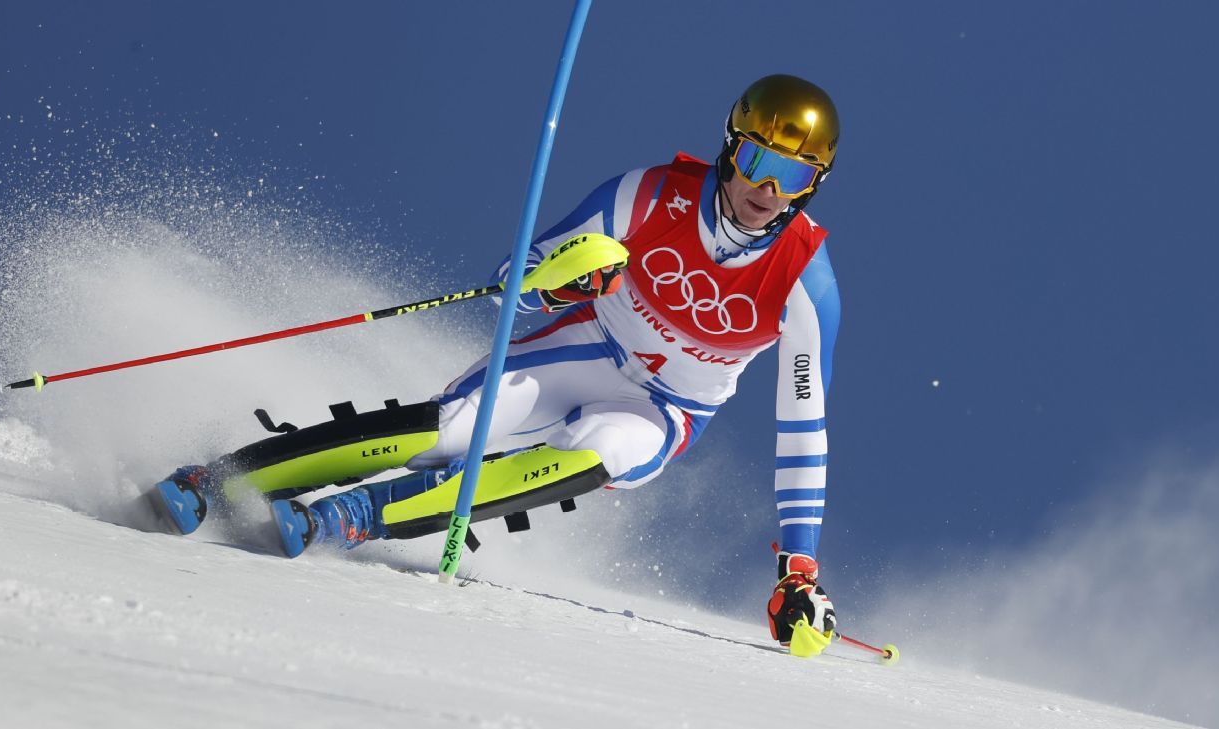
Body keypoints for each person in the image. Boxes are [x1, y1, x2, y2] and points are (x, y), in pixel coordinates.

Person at [153, 74, 841, 656]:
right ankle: (219, 480)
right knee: (455, 426)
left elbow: (803, 431)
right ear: (730, 146)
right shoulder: (650, 194)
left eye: (792, 174)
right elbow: (516, 272)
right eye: (756, 160)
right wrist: (559, 283)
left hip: (663, 409)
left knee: (594, 454)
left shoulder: (807, 283)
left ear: (812, 184)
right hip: (589, 346)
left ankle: (355, 515)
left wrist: (798, 571)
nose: (765, 188)